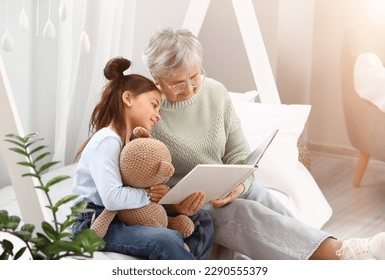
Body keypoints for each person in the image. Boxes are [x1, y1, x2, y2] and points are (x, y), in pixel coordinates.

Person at [142, 27, 385, 260]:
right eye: (177, 83)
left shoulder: (215, 92)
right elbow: (138, 181)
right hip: (182, 208)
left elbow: (239, 154)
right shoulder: (145, 112)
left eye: (195, 76)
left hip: (219, 193)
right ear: (156, 78)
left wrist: (238, 187)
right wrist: (176, 206)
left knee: (260, 196)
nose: (190, 88)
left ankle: (338, 252)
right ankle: (342, 254)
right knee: (242, 212)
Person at [71, 56, 214, 260]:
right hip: (93, 222)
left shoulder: (129, 143)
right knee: (165, 239)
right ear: (128, 99)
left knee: (201, 220)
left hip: (122, 215)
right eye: (154, 105)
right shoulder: (107, 140)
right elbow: (112, 198)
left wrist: (161, 197)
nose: (158, 115)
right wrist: (148, 194)